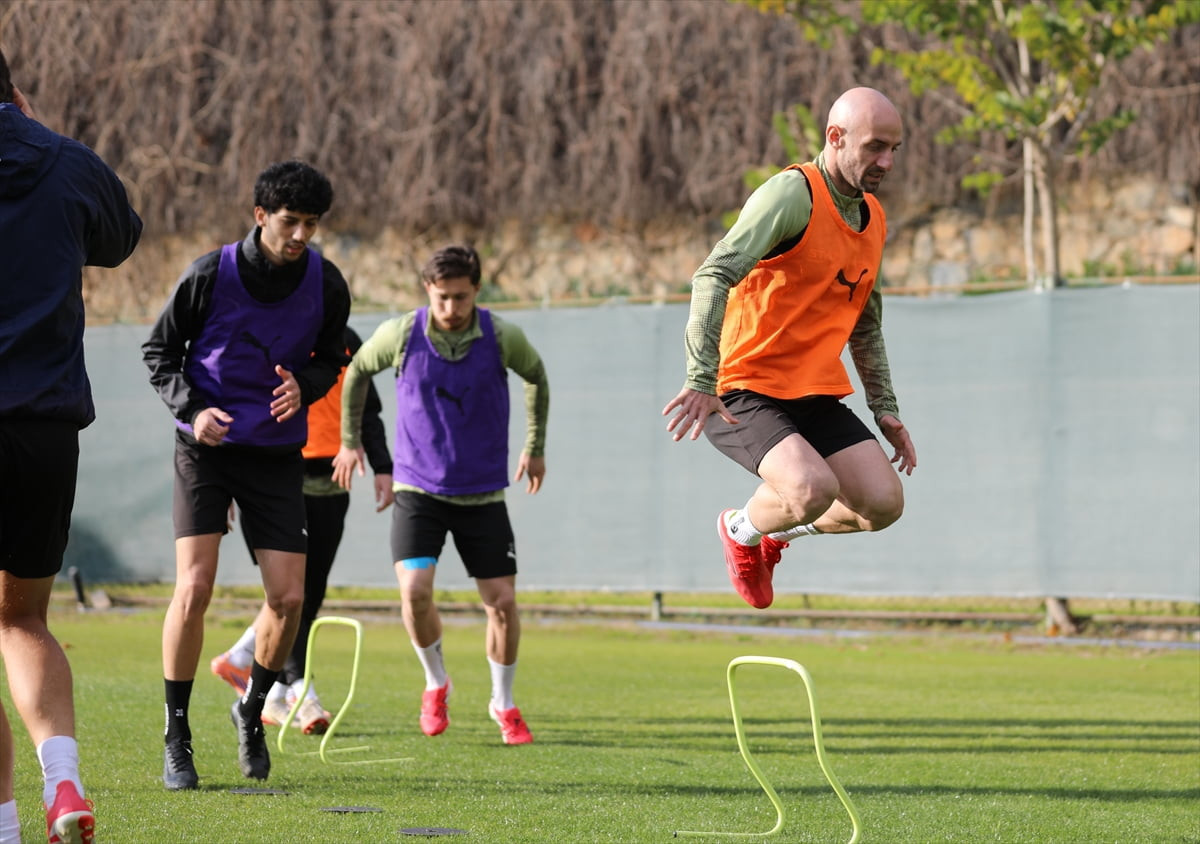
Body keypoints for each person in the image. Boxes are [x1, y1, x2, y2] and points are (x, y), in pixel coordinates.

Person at [661, 86, 917, 610]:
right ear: (835, 137)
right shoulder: (792, 194)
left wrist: (885, 408)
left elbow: (865, 322)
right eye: (874, 147)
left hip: (813, 394)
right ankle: (740, 529)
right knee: (809, 490)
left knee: (882, 504)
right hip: (741, 387)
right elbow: (712, 274)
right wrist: (700, 378)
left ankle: (770, 535)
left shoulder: (874, 218)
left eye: (894, 148)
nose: (886, 161)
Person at [142, 160, 350, 790]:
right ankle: (177, 734)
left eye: (311, 224)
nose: (300, 236)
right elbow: (159, 352)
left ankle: (251, 709)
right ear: (261, 215)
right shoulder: (209, 274)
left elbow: (331, 356)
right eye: (290, 222)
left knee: (288, 598)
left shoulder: (327, 282)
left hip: (275, 456)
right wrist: (194, 409)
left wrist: (306, 387)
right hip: (205, 448)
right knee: (195, 587)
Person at [0, 49, 142, 844]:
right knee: (22, 620)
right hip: (44, 430)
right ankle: (63, 782)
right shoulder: (65, 161)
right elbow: (118, 238)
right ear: (13, 94)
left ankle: (5, 827)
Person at [332, 245, 549, 746]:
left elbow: (536, 374)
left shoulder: (501, 337)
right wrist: (349, 442)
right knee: (414, 591)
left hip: (483, 494)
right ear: (428, 291)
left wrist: (534, 447)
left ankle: (504, 702)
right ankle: (435, 684)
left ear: (476, 290)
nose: (450, 308)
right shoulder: (401, 334)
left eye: (460, 297)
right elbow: (359, 370)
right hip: (417, 490)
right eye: (442, 298)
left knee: (502, 603)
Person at [209, 324, 393, 734]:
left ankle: (252, 670)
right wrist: (223, 488)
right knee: (292, 594)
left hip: (331, 480)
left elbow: (368, 408)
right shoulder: (268, 334)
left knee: (308, 593)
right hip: (274, 477)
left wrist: (383, 466)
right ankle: (297, 690)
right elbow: (233, 404)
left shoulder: (345, 339)